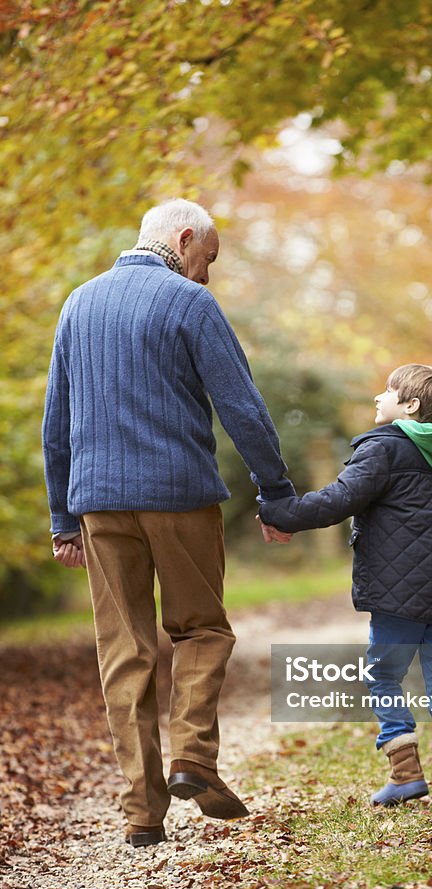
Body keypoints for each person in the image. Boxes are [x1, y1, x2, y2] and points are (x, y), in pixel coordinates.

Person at [43, 198, 292, 848]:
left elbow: (56, 424)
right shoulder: (190, 305)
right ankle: (192, 757)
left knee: (122, 651)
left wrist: (62, 518)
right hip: (179, 496)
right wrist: (276, 490)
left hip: (98, 501)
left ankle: (141, 814)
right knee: (201, 629)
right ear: (184, 239)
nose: (204, 275)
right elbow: (242, 405)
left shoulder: (79, 303)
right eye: (205, 259)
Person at [258, 363, 432, 814]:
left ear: (410, 406)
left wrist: (280, 513)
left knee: (383, 675)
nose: (379, 396)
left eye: (389, 391)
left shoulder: (384, 448)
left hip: (398, 595)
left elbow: (340, 499)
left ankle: (406, 776)